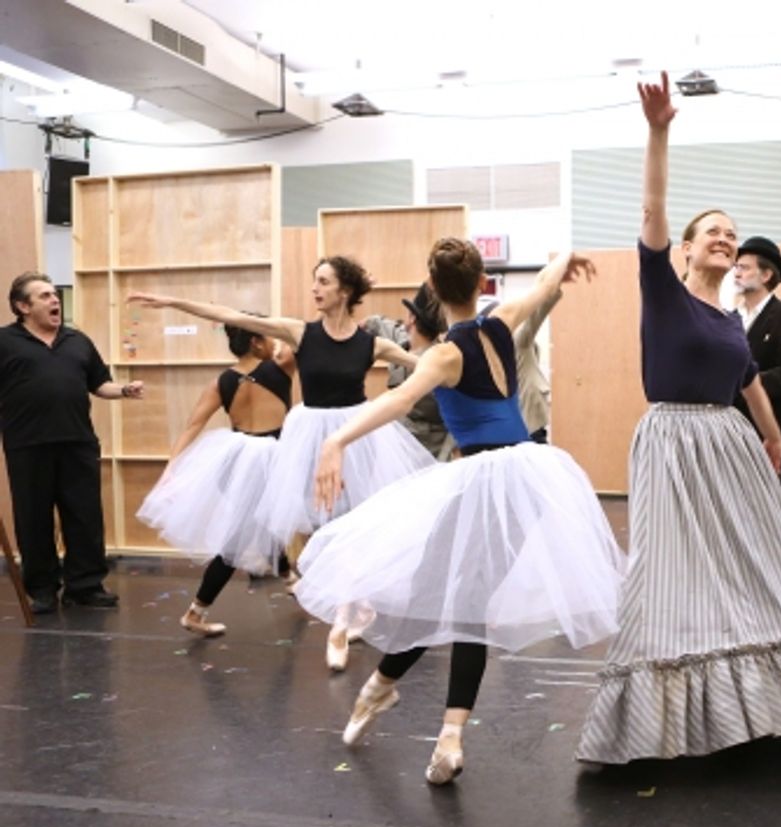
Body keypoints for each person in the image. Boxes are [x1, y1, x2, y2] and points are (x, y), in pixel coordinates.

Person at [575, 73, 781, 765]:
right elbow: (652, 209)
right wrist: (658, 132)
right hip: (674, 443)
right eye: (713, 231)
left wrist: (771, 434)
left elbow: (747, 379)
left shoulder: (728, 318)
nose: (726, 239)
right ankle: (667, 716)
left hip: (731, 445)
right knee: (674, 571)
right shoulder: (664, 293)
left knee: (757, 564)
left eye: (731, 235)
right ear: (684, 248)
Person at [292, 241, 624, 785]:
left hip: (481, 482)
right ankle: (435, 726)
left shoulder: (445, 355)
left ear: (432, 287)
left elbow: (396, 401)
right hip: (527, 480)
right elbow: (544, 284)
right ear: (480, 282)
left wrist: (336, 442)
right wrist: (565, 259)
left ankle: (387, 691)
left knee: (443, 595)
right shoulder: (502, 321)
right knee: (467, 601)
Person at [127, 256, 435, 670]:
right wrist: (171, 301)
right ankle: (343, 611)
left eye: (323, 281)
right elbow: (231, 316)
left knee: (356, 524)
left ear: (343, 291)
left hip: (357, 436)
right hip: (311, 438)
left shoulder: (372, 344)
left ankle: (348, 614)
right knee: (321, 525)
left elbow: (430, 367)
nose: (314, 289)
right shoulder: (300, 333)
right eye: (314, 281)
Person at [137, 321, 295, 637]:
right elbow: (298, 334)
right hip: (268, 462)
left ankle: (290, 577)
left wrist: (171, 468)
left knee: (262, 520)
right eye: (266, 337)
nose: (273, 343)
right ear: (255, 342)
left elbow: (192, 426)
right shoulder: (281, 367)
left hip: (235, 464)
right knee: (239, 539)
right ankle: (195, 612)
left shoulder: (221, 382)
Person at [1, 271, 143, 614]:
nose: (55, 300)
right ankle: (42, 589)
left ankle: (85, 586)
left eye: (55, 294)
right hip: (28, 444)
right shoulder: (4, 342)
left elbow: (99, 384)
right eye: (45, 296)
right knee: (33, 518)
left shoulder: (77, 340)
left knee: (85, 515)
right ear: (23, 306)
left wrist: (124, 390)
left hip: (78, 442)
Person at [731, 235, 781, 518]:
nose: (736, 273)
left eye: (744, 267)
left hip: (767, 428)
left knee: (765, 513)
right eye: (735, 267)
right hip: (730, 427)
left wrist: (748, 384)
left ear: (766, 275)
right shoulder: (729, 318)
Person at [362, 283, 454, 459]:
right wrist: (364, 325)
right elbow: (380, 325)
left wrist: (445, 459)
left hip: (429, 450)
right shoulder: (402, 342)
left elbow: (455, 415)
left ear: (412, 318)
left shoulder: (440, 361)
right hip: (397, 443)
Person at [477, 278, 559, 444]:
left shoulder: (515, 338)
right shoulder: (482, 350)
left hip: (527, 426)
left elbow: (535, 315)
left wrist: (551, 283)